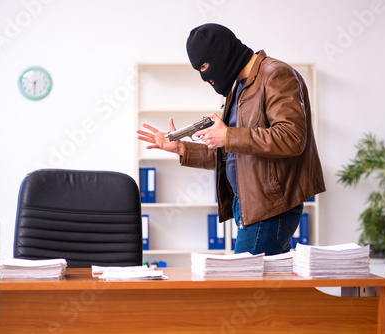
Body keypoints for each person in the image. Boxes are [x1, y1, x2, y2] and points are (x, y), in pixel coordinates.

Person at [137, 23, 325, 256]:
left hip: (270, 206)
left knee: (244, 288)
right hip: (248, 204)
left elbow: (292, 137)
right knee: (267, 287)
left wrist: (229, 134)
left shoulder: (275, 74)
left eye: (205, 65)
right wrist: (180, 148)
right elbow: (232, 153)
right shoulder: (238, 88)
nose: (205, 76)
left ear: (222, 52)